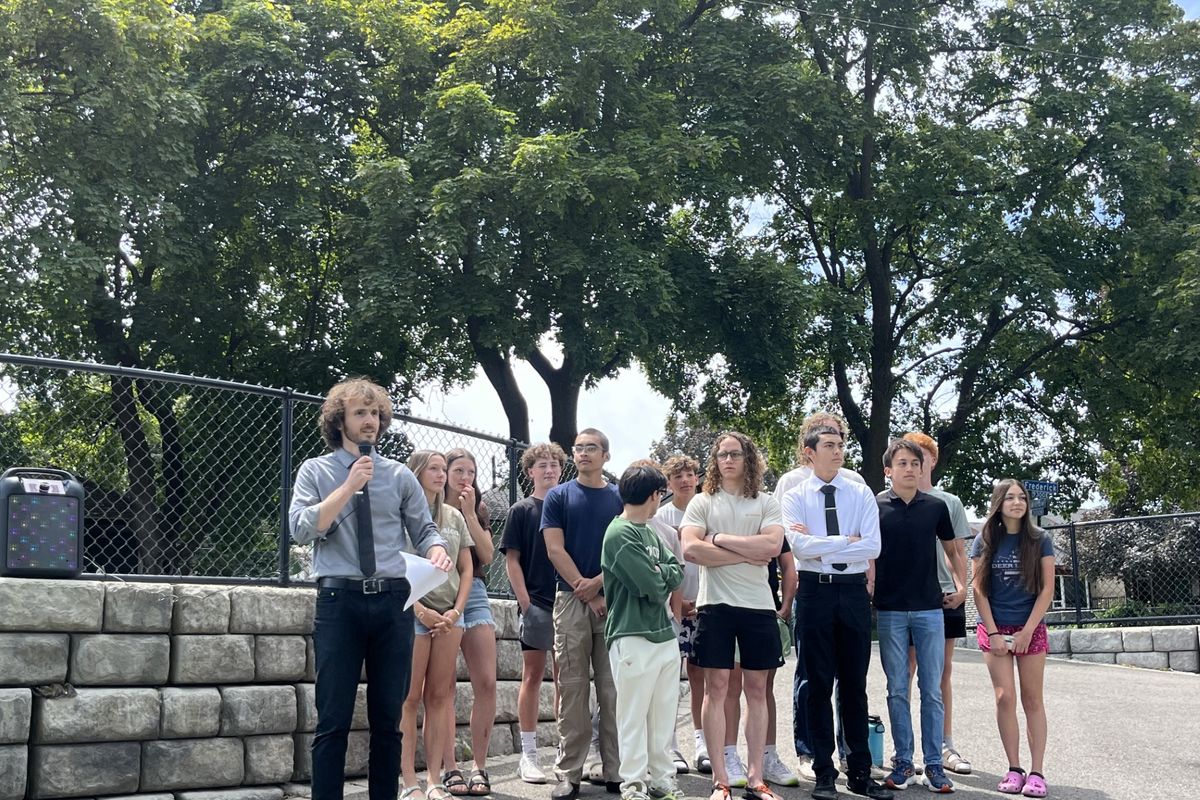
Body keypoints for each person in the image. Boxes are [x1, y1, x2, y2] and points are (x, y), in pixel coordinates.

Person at [288, 378, 452, 800]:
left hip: (392, 601)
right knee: (333, 719)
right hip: (338, 601)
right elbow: (301, 529)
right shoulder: (316, 470)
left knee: (387, 719)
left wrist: (435, 550)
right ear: (339, 419)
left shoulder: (398, 475)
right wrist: (348, 487)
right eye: (360, 412)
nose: (370, 421)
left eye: (376, 413)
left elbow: (425, 528)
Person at [780, 425, 891, 800]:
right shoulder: (795, 496)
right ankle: (823, 770)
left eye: (841, 445)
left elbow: (872, 546)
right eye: (829, 445)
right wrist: (848, 542)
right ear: (809, 452)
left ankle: (860, 770)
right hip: (814, 593)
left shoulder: (859, 492)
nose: (838, 450)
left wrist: (823, 547)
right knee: (816, 684)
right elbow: (799, 546)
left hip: (853, 594)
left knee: (854, 684)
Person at [680, 432, 785, 800]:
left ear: (748, 458)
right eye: (722, 454)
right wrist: (746, 553)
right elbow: (691, 550)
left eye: (735, 454)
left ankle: (756, 779)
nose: (727, 460)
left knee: (757, 690)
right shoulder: (702, 502)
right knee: (717, 688)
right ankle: (720, 780)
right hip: (714, 605)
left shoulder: (768, 502)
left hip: (758, 606)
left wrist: (720, 539)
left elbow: (772, 546)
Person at [873, 439, 965, 794]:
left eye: (915, 462)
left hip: (930, 609)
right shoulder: (875, 505)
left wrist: (961, 588)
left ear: (923, 467)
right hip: (891, 610)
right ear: (888, 470)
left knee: (933, 689)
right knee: (897, 689)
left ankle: (934, 765)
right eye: (902, 463)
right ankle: (902, 763)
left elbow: (954, 551)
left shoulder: (936, 506)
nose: (910, 468)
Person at [543, 429, 624, 800]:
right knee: (573, 690)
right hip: (571, 600)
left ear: (606, 455)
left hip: (614, 602)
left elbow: (629, 546)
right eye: (579, 448)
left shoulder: (620, 497)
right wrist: (585, 588)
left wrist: (600, 584)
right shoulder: (558, 496)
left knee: (612, 691)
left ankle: (616, 770)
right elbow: (554, 549)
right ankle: (568, 773)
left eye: (591, 448)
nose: (584, 453)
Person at [601, 464, 685, 800]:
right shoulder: (619, 533)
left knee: (663, 714)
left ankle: (662, 779)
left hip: (663, 634)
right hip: (631, 634)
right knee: (633, 715)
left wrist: (661, 571)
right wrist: (661, 573)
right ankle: (633, 783)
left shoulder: (650, 531)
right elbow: (650, 585)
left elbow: (675, 573)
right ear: (654, 495)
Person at [971, 480, 1055, 799]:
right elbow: (978, 589)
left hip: (1029, 627)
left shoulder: (1039, 539)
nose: (1017, 502)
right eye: (1010, 497)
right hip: (994, 628)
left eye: (1022, 497)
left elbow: (1047, 590)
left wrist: (1027, 631)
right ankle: (1014, 768)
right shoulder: (985, 540)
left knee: (1032, 699)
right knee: (1004, 697)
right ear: (999, 503)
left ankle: (1036, 772)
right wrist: (993, 632)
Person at [401, 451, 475, 800]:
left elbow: (467, 568)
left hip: (449, 617)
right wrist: (420, 611)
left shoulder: (454, 516)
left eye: (443, 469)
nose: (441, 474)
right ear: (417, 472)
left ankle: (433, 779)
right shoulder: (401, 513)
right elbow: (394, 566)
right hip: (412, 614)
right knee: (410, 697)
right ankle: (408, 781)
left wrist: (457, 611)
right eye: (433, 468)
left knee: (440, 696)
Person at [901, 432, 974, 776]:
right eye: (909, 457)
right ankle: (907, 749)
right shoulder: (893, 499)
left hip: (945, 595)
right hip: (908, 598)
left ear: (932, 460)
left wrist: (963, 589)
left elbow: (957, 550)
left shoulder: (949, 502)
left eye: (922, 457)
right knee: (908, 670)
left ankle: (945, 745)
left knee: (941, 671)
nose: (916, 463)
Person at [503, 443, 568, 784]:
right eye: (542, 465)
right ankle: (528, 754)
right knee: (532, 675)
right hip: (537, 604)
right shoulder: (521, 510)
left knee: (566, 679)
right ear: (529, 471)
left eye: (554, 464)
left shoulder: (567, 507)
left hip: (568, 602)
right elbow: (511, 559)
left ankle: (563, 750)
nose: (549, 470)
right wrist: (525, 602)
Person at [442, 448, 498, 796]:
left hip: (475, 591)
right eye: (458, 470)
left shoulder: (478, 508)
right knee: (442, 687)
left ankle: (479, 766)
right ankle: (449, 766)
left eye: (471, 472)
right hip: (438, 593)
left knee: (487, 682)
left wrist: (468, 514)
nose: (465, 477)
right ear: (445, 472)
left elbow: (489, 556)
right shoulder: (428, 504)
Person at [655, 455, 706, 773]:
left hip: (706, 606)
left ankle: (702, 743)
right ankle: (670, 746)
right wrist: (678, 603)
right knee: (669, 680)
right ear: (668, 483)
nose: (686, 479)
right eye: (678, 475)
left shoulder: (707, 509)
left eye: (690, 473)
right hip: (673, 609)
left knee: (702, 676)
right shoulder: (661, 515)